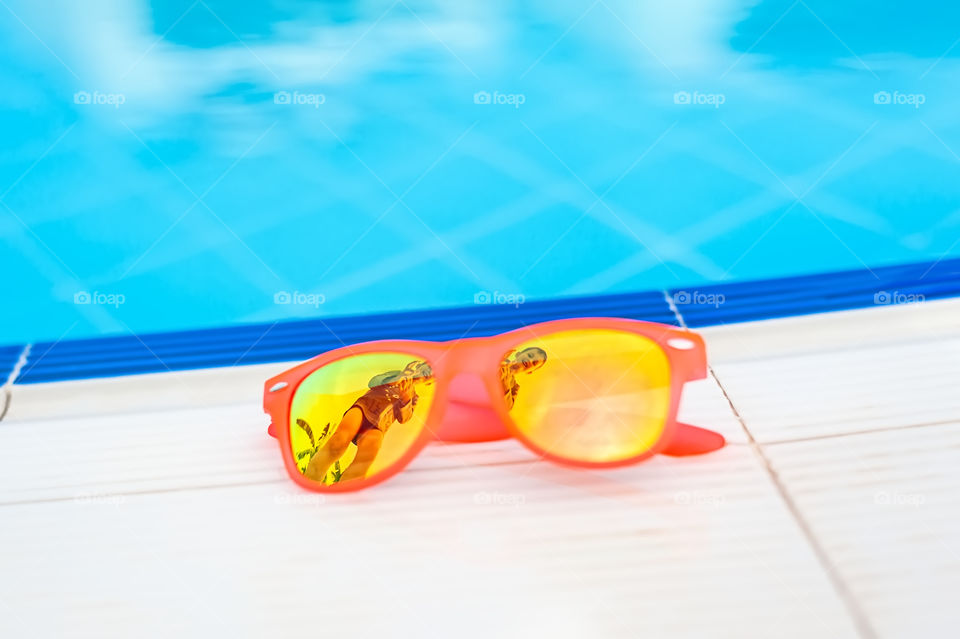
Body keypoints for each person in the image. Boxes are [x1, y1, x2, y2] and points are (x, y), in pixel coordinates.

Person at [304, 360, 434, 483]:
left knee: (367, 455)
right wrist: (394, 380)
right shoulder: (394, 375)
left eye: (425, 375)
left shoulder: (413, 396)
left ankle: (345, 489)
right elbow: (373, 382)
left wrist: (405, 399)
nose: (419, 374)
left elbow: (404, 418)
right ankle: (311, 479)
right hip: (364, 407)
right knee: (337, 442)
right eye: (420, 370)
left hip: (379, 424)